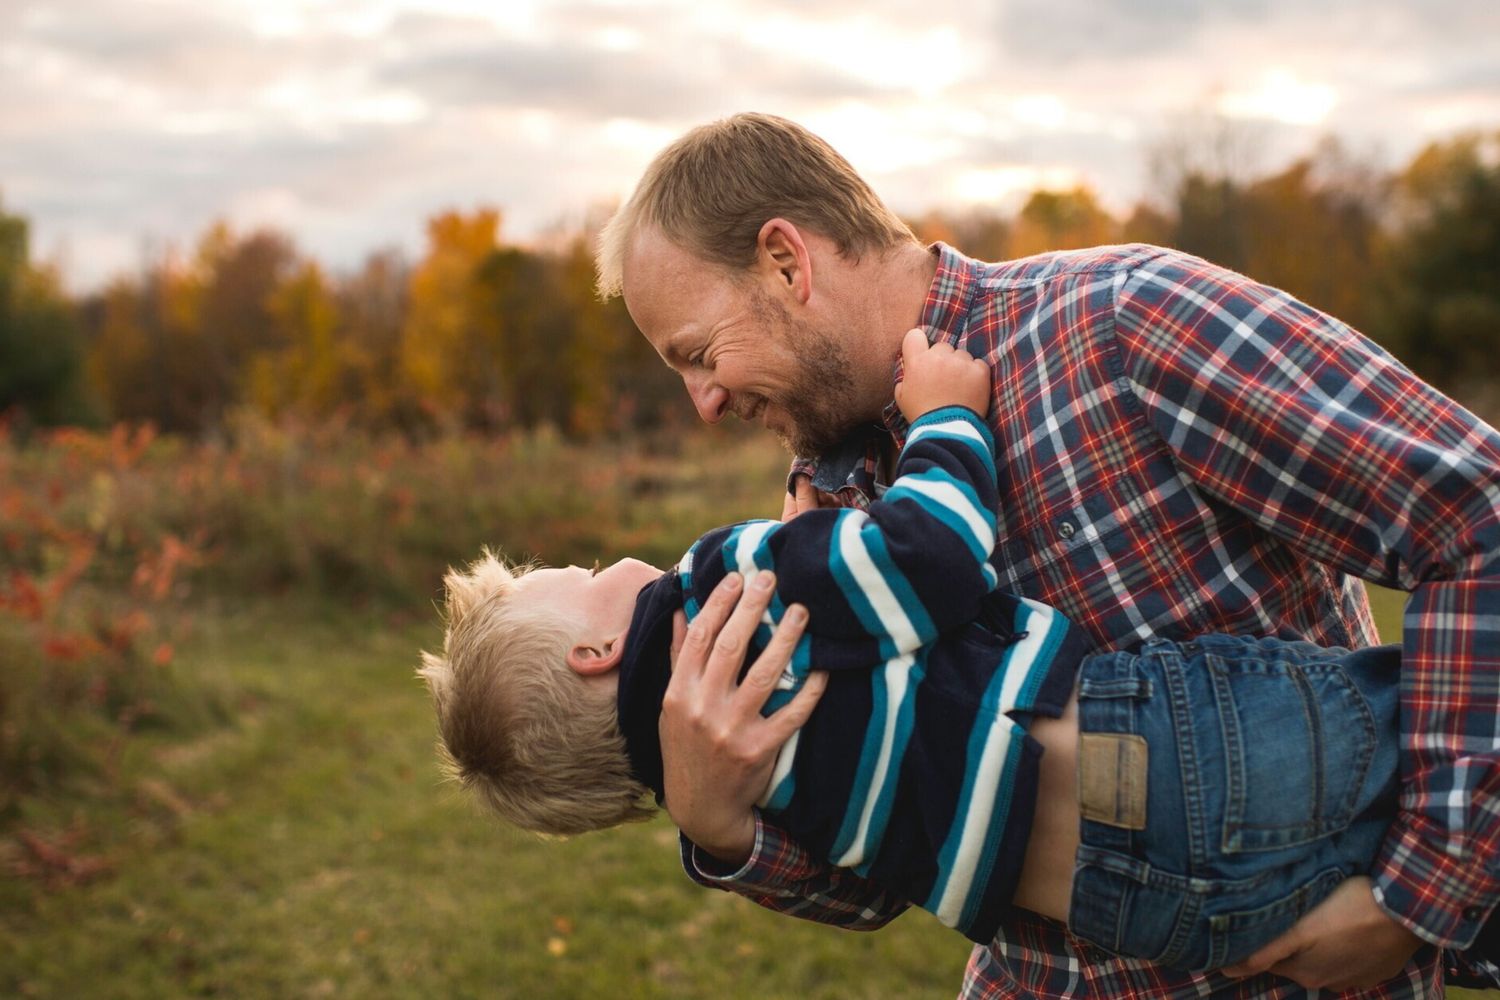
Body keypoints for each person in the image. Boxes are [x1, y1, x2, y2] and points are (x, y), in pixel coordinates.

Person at [592, 112, 1500, 997]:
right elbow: (890, 860)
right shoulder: (829, 500)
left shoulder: (1126, 320)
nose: (702, 404)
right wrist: (722, 823)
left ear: (787, 262)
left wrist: (1415, 899)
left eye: (699, 354)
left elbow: (1477, 519)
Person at [420, 331, 1402, 972]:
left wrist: (815, 545)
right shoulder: (718, 579)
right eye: (569, 573)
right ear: (597, 649)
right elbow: (929, 557)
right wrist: (945, 417)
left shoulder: (727, 777)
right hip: (1149, 755)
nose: (589, 561)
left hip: (1115, 907)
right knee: (1421, 733)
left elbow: (869, 700)